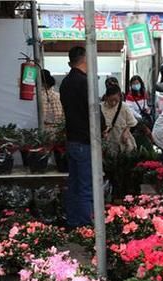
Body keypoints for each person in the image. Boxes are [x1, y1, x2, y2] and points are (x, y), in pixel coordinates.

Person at [59, 46, 92, 228]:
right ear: (84, 59)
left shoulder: (65, 83)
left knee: (74, 185)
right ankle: (86, 226)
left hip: (71, 139)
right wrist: (102, 127)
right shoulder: (84, 82)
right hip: (85, 140)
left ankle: (72, 222)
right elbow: (92, 110)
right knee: (87, 186)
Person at [100, 84, 138, 156]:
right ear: (106, 97)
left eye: (116, 100)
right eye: (111, 100)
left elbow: (131, 123)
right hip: (108, 144)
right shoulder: (100, 108)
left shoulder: (124, 107)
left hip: (123, 143)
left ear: (120, 97)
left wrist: (126, 132)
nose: (113, 103)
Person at [125, 75, 154, 150]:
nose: (136, 85)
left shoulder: (144, 93)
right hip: (135, 119)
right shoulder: (129, 96)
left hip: (143, 117)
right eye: (134, 84)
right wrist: (139, 117)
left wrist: (147, 109)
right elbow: (130, 110)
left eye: (137, 83)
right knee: (146, 132)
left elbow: (145, 105)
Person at [40, 69, 64, 135]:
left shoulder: (41, 97)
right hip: (56, 131)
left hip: (47, 132)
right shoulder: (57, 95)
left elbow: (57, 117)